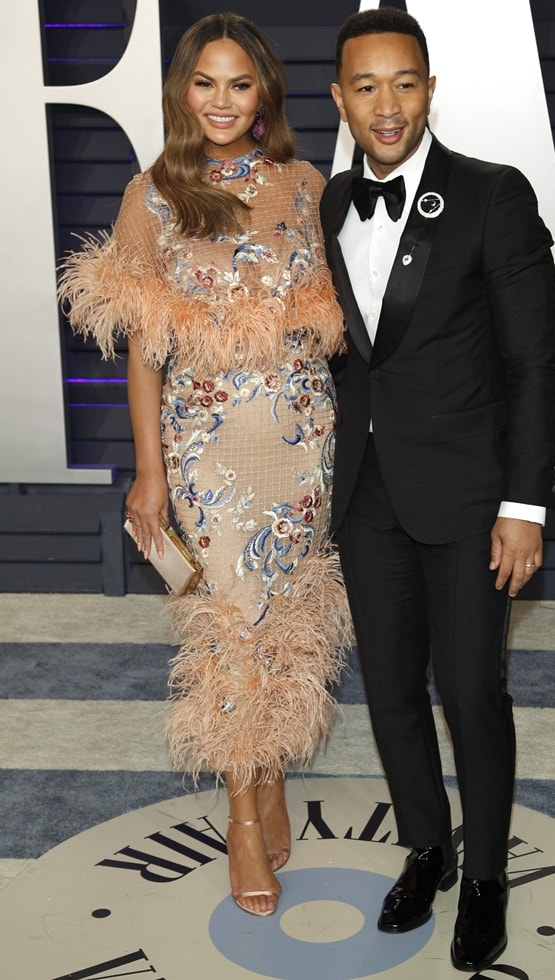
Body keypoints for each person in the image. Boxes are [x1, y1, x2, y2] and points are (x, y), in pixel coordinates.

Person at [58, 13, 349, 919]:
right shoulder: (150, 197)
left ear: (264, 95)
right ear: (182, 93)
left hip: (303, 437)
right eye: (204, 83)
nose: (221, 101)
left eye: (239, 84)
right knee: (229, 625)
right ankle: (242, 817)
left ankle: (267, 778)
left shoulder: (305, 185)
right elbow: (144, 353)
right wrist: (149, 474)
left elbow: (344, 313)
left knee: (286, 617)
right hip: (206, 446)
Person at [320, 7, 555, 972]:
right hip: (367, 492)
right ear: (340, 99)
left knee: (469, 689)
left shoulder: (492, 195)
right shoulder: (329, 205)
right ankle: (428, 847)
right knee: (388, 692)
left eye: (404, 82)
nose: (388, 104)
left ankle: (490, 874)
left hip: (469, 496)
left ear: (430, 86)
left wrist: (525, 505)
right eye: (366, 86)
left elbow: (532, 363)